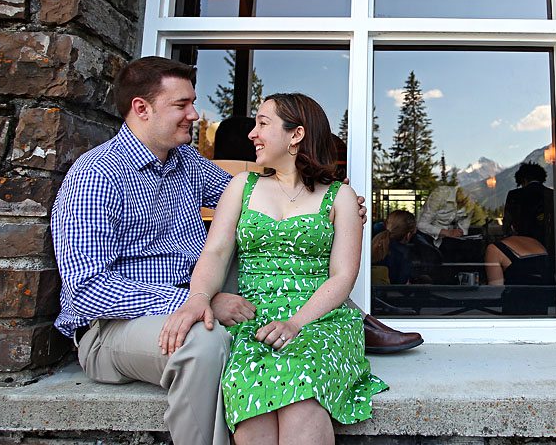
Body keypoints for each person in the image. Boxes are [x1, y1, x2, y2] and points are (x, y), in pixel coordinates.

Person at [50, 57, 411, 445]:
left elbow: (267, 201)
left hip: (199, 298)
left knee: (275, 248)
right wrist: (197, 301)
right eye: (182, 105)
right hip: (117, 327)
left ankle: (342, 321)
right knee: (205, 343)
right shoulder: (96, 175)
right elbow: (85, 290)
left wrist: (337, 209)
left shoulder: (186, 161)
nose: (195, 114)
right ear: (142, 108)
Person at [159, 93, 388, 444]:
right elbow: (216, 252)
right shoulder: (241, 187)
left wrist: (296, 323)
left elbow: (343, 276)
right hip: (252, 320)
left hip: (319, 321)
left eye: (262, 124)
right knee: (254, 415)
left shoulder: (340, 197)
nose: (252, 133)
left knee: (302, 404)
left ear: (296, 135)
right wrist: (200, 297)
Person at [485, 200, 553, 315]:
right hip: (545, 311)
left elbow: (495, 287)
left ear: (509, 226)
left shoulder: (495, 249)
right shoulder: (537, 244)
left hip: (515, 309)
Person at [501, 162, 555, 256]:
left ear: (523, 179)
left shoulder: (515, 195)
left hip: (522, 246)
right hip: (548, 246)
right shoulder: (552, 194)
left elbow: (507, 223)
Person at [372, 210, 418, 285]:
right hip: (391, 294)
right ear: (409, 235)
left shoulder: (374, 244)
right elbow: (403, 287)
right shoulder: (403, 252)